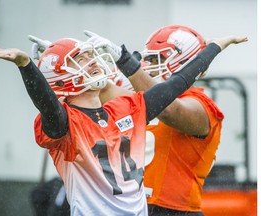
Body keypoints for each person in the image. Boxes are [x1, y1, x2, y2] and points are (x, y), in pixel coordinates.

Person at [0, 33, 247, 215]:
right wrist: (28, 66)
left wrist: (215, 46)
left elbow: (175, 87)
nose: (93, 62)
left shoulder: (125, 109)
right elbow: (50, 106)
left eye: (88, 56)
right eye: (81, 59)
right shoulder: (68, 124)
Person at [83, 26, 248, 216]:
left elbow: (168, 109)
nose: (148, 66)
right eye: (149, 59)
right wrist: (62, 61)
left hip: (173, 210)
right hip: (131, 207)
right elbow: (100, 91)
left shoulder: (202, 106)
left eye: (158, 59)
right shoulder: (141, 100)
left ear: (187, 63)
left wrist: (127, 62)